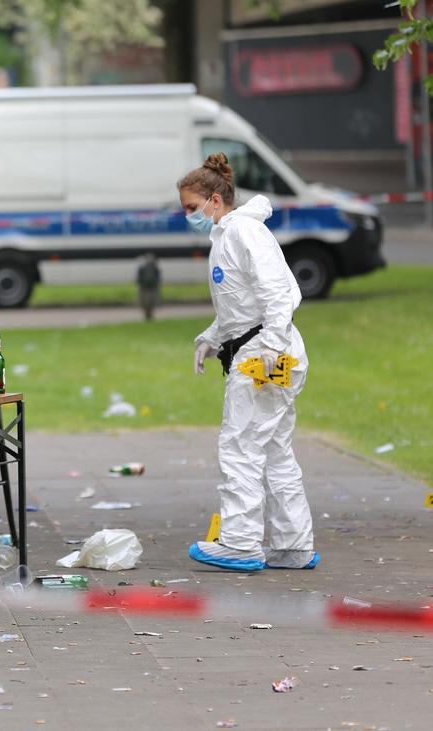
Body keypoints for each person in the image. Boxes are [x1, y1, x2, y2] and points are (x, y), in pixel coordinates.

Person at [180, 152, 318, 572]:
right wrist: (212, 337)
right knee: (273, 449)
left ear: (215, 201)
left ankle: (240, 542)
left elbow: (276, 293)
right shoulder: (228, 235)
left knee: (240, 447)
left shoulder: (242, 233)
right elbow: (241, 307)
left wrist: (271, 347)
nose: (188, 216)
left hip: (265, 354)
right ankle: (293, 545)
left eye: (191, 208)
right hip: (267, 348)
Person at [136, 253, 161, 321]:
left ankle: (147, 315)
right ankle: (150, 315)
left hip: (144, 288)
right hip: (152, 287)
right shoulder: (155, 267)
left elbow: (138, 278)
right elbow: (158, 278)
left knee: (145, 302)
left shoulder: (142, 267)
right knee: (151, 301)